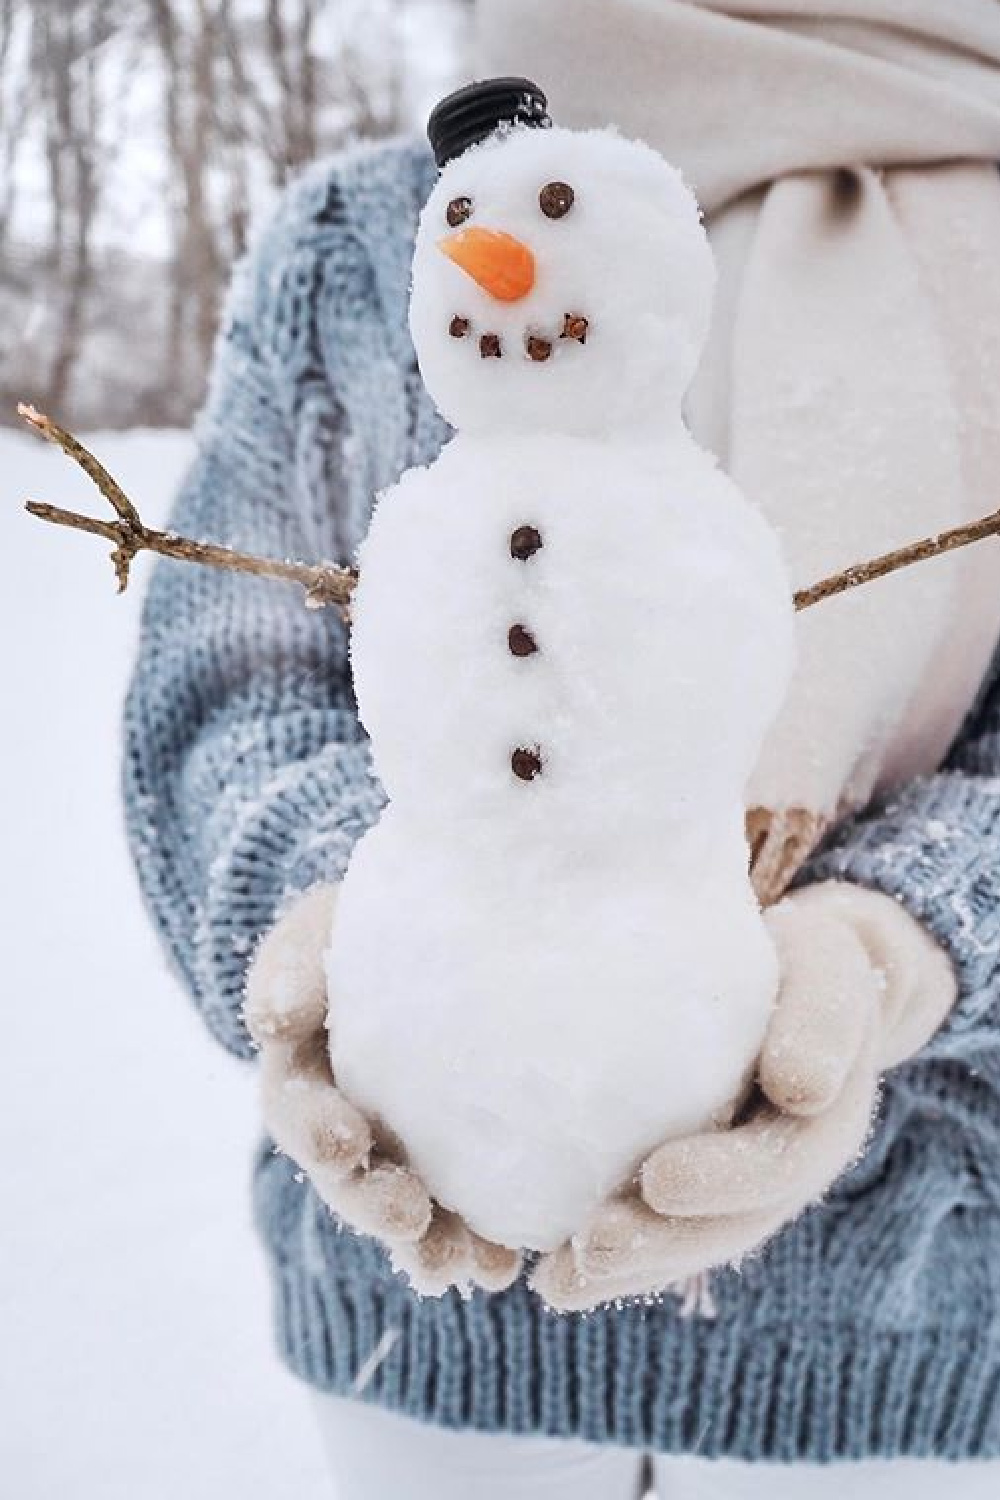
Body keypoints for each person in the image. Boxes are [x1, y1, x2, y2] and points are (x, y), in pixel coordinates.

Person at [123, 2, 1000, 1494]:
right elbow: (230, 681)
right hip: (423, 1341)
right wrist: (375, 929)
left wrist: (899, 938)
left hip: (905, 1336)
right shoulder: (368, 242)